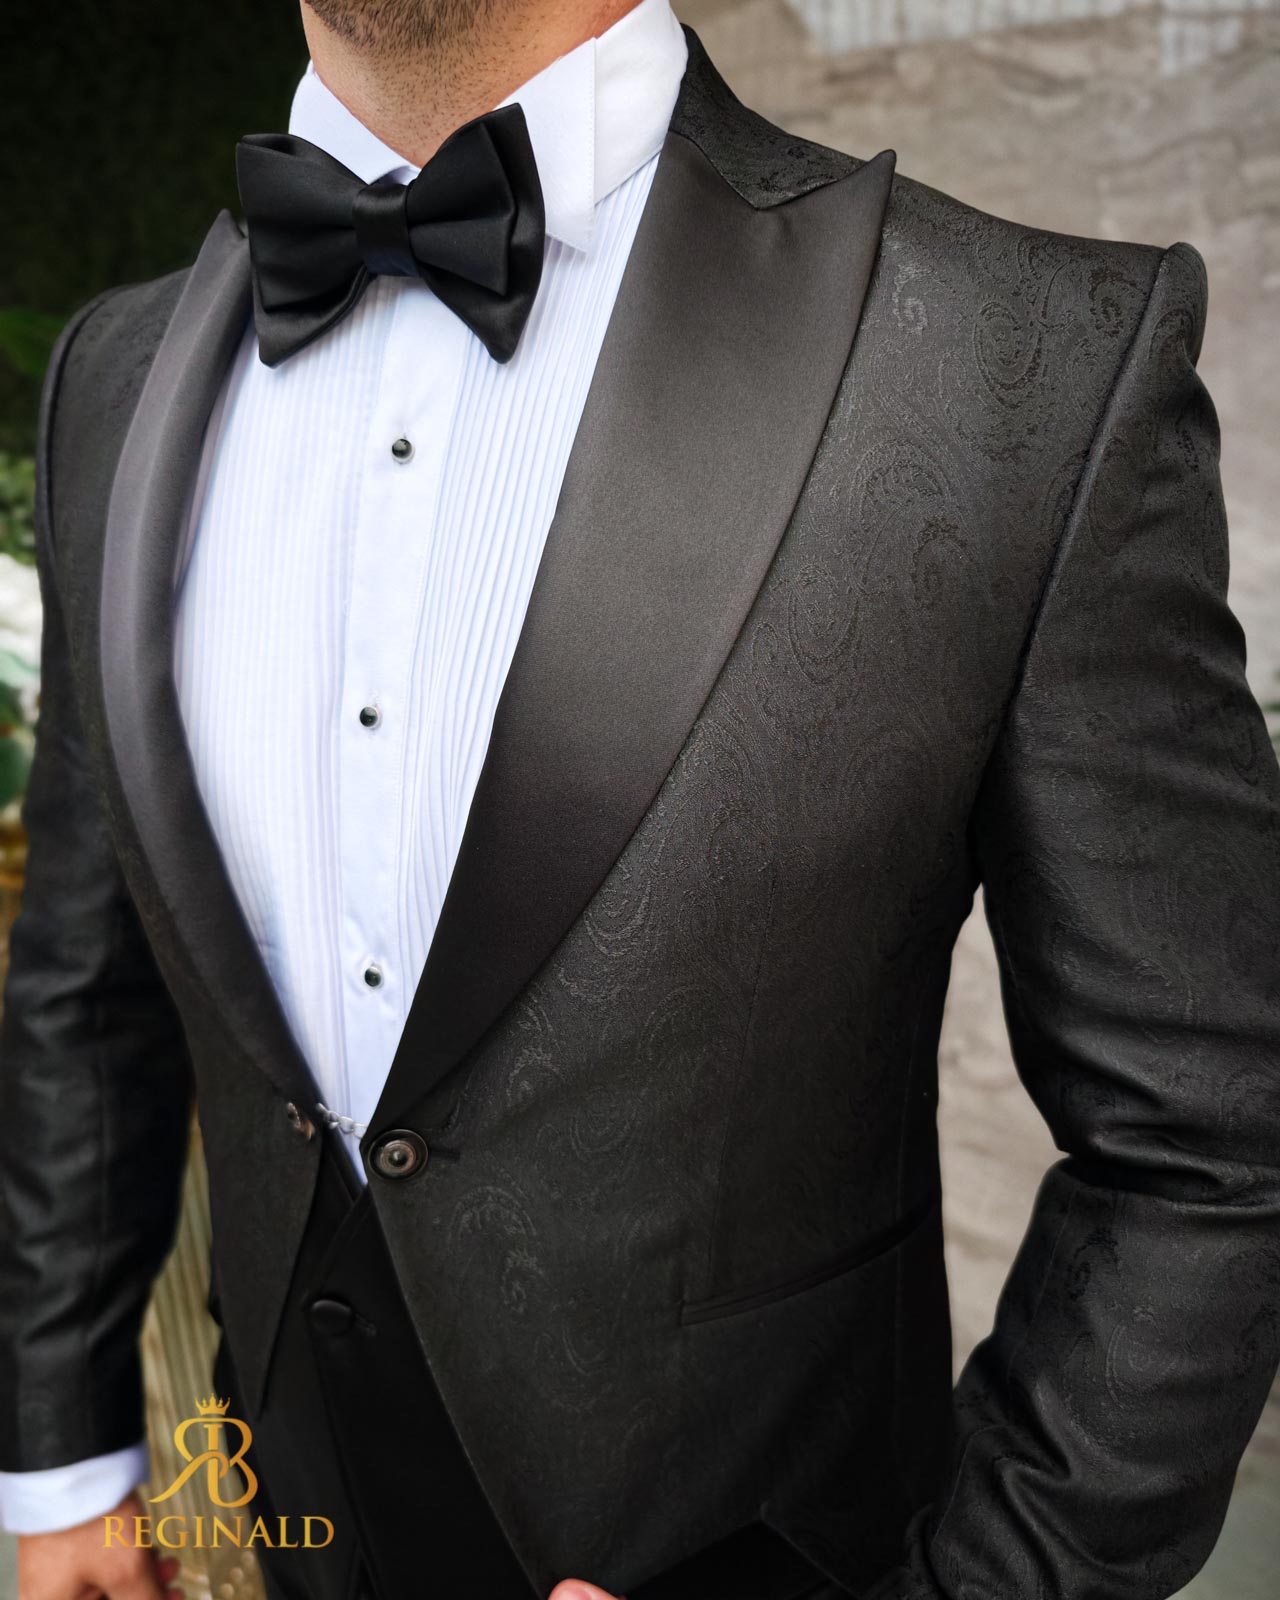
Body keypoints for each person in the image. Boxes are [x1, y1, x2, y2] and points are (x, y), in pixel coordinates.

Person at [2, 0, 1278, 1596]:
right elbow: (85, 987)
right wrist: (62, 1458)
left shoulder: (1021, 361)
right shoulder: (111, 378)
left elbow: (1217, 1140)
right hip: (284, 1520)